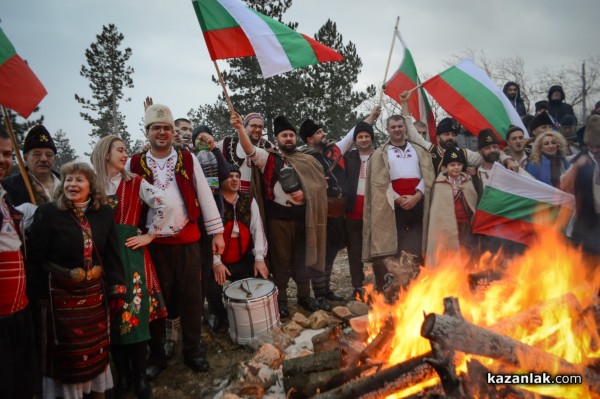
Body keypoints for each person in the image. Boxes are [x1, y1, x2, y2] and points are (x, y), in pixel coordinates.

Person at [128, 104, 224, 377]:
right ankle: (157, 355)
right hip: (152, 244)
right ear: (147, 131)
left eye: (167, 128)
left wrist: (216, 233)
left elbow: (205, 195)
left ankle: (192, 350)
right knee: (157, 302)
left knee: (193, 299)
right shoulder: (134, 163)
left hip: (188, 241)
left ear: (172, 132)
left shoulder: (188, 159)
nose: (162, 132)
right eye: (156, 127)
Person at [27, 162, 126, 399]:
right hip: (59, 300)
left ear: (91, 186)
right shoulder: (48, 213)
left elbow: (112, 254)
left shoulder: (103, 213)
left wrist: (117, 289)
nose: (72, 184)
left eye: (79, 180)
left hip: (94, 297)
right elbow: (35, 259)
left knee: (96, 353)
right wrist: (40, 296)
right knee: (68, 357)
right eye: (68, 179)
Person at [91, 135, 173, 399]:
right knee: (112, 317)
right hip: (102, 255)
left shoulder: (135, 182)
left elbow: (164, 204)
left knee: (134, 314)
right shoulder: (92, 185)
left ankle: (138, 377)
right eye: (120, 150)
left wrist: (150, 234)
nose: (125, 154)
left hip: (130, 254)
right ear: (105, 153)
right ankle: (123, 375)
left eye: (127, 150)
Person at [232, 113, 328, 317]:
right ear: (277, 138)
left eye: (291, 135)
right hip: (277, 220)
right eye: (284, 135)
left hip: (302, 218)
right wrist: (241, 128)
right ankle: (282, 300)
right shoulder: (269, 157)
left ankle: (304, 297)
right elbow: (249, 149)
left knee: (302, 258)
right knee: (280, 260)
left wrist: (305, 192)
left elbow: (319, 184)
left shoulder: (306, 159)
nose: (289, 139)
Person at [298, 111, 379, 307]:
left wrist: (371, 118)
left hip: (338, 212)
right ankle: (319, 294)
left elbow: (353, 134)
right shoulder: (302, 158)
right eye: (319, 133)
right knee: (321, 254)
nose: (323, 134)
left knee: (332, 252)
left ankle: (326, 290)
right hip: (320, 212)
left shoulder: (332, 150)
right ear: (309, 138)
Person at [363, 112, 433, 290]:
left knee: (417, 244)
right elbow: (378, 182)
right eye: (393, 127)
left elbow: (428, 174)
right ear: (387, 130)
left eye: (400, 126)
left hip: (418, 203)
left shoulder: (418, 150)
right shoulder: (381, 154)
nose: (397, 130)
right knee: (395, 246)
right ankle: (395, 287)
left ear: (405, 128)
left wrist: (417, 195)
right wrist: (397, 198)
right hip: (393, 207)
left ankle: (417, 284)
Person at [0, 127, 37, 399]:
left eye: (7, 154)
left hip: (18, 309)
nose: (3, 159)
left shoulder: (5, 197)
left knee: (19, 382)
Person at [209, 163, 269, 319]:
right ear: (222, 179)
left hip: (242, 255)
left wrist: (259, 258)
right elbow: (209, 234)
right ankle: (219, 316)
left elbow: (257, 230)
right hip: (220, 258)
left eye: (237, 176)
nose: (234, 179)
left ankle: (252, 314)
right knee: (212, 286)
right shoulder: (214, 201)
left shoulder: (248, 200)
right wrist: (216, 262)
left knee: (261, 277)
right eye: (230, 176)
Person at [343, 121, 388, 299]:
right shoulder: (349, 158)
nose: (363, 140)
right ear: (355, 140)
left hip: (375, 212)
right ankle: (357, 286)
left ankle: (382, 284)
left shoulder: (380, 156)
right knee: (354, 251)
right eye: (360, 137)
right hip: (353, 211)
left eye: (366, 136)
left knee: (377, 250)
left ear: (371, 138)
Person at [425, 147, 478, 267]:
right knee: (447, 252)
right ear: (445, 167)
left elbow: (472, 202)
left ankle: (468, 276)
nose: (456, 167)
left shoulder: (467, 182)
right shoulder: (439, 184)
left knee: (466, 250)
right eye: (452, 164)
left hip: (465, 223)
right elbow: (436, 211)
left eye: (459, 164)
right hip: (446, 226)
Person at [197, 112, 272, 195]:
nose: (257, 129)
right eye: (253, 126)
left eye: (260, 127)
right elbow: (210, 150)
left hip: (259, 197)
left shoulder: (268, 146)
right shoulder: (228, 142)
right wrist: (203, 140)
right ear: (245, 127)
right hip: (231, 196)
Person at [560, 114, 600, 257]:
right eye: (591, 146)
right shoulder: (580, 159)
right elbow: (563, 185)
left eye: (598, 146)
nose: (594, 150)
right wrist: (576, 167)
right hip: (584, 225)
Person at [4, 124, 60, 206]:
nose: (44, 159)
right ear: (25, 158)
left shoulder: (67, 183)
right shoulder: (10, 186)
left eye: (49, 155)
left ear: (55, 159)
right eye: (37, 154)